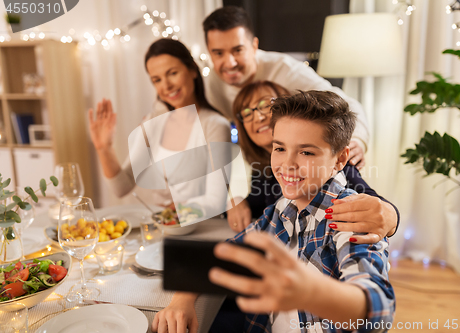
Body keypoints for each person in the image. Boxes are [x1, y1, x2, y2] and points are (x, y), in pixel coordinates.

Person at [152, 90, 395, 333]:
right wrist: (182, 298)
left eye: (306, 152)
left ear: (340, 160)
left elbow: (378, 311)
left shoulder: (350, 215)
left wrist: (311, 292)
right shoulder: (281, 210)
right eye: (279, 149)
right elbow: (227, 253)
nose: (287, 164)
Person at [228, 81, 398, 244]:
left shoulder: (330, 164)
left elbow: (373, 204)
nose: (258, 116)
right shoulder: (265, 169)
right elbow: (259, 205)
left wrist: (391, 215)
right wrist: (236, 201)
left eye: (265, 105)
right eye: (247, 113)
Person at [203, 6, 368, 168]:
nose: (230, 63)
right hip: (262, 167)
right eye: (218, 53)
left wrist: (357, 141)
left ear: (254, 46)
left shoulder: (286, 70)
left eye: (237, 50)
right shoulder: (212, 86)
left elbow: (346, 104)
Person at [88, 38, 231, 209]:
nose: (166, 86)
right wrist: (104, 148)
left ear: (193, 70)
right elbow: (122, 188)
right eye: (157, 80)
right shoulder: (153, 123)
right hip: (163, 227)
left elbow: (217, 198)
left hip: (201, 229)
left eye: (172, 73)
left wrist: (173, 212)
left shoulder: (215, 125)